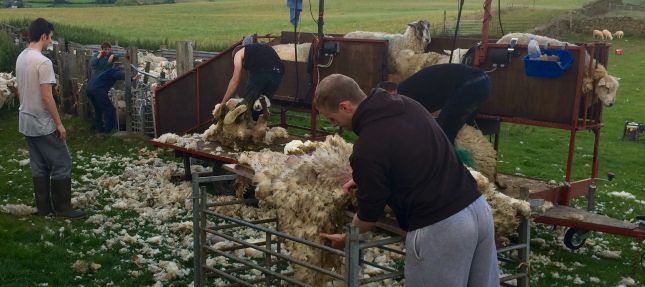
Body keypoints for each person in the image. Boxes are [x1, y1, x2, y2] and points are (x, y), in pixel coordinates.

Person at [316, 74, 498, 287]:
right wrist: (366, 177)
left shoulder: (367, 147)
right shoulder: (408, 105)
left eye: (331, 118)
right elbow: (410, 151)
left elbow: (368, 214)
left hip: (441, 227)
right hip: (478, 209)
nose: (335, 124)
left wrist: (348, 237)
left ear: (345, 106)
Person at [15, 18, 84, 218]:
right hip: (42, 122)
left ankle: (44, 207)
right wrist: (59, 124)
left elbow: (20, 90)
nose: (50, 42)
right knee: (62, 161)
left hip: (25, 119)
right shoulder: (43, 62)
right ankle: (63, 208)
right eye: (50, 38)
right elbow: (47, 96)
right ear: (43, 36)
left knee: (39, 164)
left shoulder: (21, 57)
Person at [392, 63, 491, 143]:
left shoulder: (404, 96)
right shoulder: (408, 89)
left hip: (470, 84)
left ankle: (447, 162)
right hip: (482, 81)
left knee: (443, 132)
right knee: (455, 128)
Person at [220, 35, 284, 119]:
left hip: (262, 71)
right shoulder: (255, 51)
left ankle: (240, 124)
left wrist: (223, 103)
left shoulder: (238, 54)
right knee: (259, 105)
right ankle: (255, 125)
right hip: (278, 74)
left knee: (245, 105)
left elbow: (235, 80)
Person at [86, 67, 127, 134]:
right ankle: (110, 130)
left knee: (98, 109)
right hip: (98, 90)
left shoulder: (105, 71)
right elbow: (117, 75)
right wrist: (130, 77)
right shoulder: (114, 71)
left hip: (89, 89)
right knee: (110, 109)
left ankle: (99, 129)